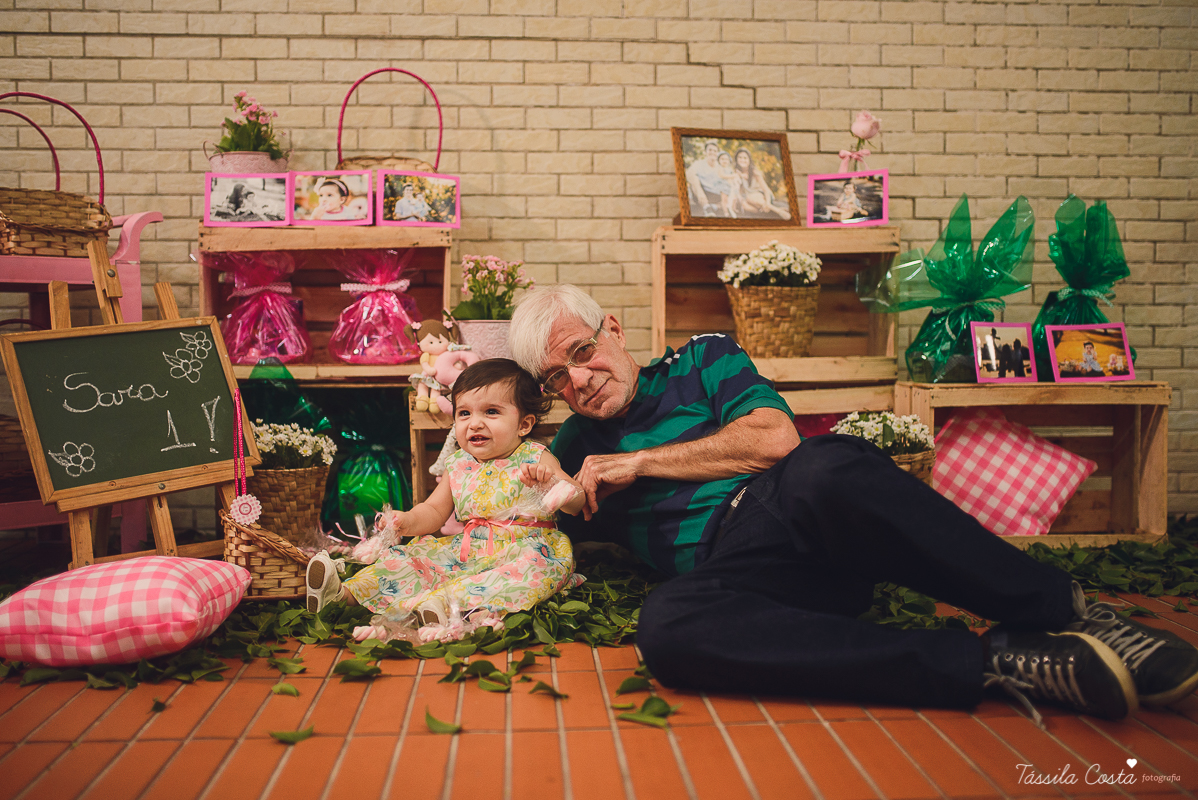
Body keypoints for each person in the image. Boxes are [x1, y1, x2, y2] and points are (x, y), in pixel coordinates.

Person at [509, 284, 1198, 723]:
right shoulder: (573, 443)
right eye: (556, 378)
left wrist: (642, 462)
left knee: (823, 467)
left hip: (802, 505)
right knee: (666, 625)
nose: (579, 380)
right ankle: (993, 664)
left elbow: (775, 438)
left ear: (615, 331)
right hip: (745, 573)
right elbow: (496, 498)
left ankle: (1071, 614)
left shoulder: (703, 360)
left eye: (581, 351)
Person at [306, 359, 585, 642]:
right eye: (464, 413)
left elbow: (577, 502)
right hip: (467, 551)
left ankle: (446, 605)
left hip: (527, 549)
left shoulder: (535, 457)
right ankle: (343, 595)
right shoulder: (458, 464)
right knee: (414, 560)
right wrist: (408, 520)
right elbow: (434, 511)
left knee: (524, 572)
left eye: (491, 412)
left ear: (524, 424)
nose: (475, 423)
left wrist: (551, 484)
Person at [732, 148, 791, 220]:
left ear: (749, 160)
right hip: (751, 200)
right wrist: (738, 199)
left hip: (763, 195)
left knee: (750, 197)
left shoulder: (755, 173)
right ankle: (773, 209)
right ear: (736, 159)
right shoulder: (737, 173)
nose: (742, 160)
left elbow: (766, 190)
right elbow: (738, 190)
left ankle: (778, 211)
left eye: (745, 158)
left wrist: (768, 203)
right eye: (740, 157)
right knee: (744, 205)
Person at [685, 140, 731, 218]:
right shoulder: (699, 164)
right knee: (694, 179)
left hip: (716, 193)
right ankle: (707, 207)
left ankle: (715, 206)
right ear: (705, 152)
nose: (712, 152)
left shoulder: (721, 166)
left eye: (715, 151)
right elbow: (689, 174)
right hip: (702, 192)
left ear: (717, 153)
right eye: (710, 150)